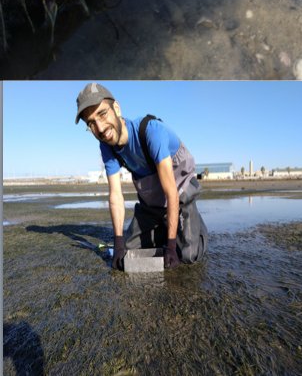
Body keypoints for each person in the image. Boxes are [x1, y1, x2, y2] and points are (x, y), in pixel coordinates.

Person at [75, 83, 207, 270]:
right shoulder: (107, 147)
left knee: (187, 255)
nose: (101, 128)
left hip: (178, 192)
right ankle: (164, 226)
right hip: (151, 202)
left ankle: (191, 224)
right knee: (128, 253)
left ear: (117, 108)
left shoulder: (152, 131)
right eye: (91, 123)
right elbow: (115, 196)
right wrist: (119, 243)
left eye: (102, 114)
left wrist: (170, 246)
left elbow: (171, 193)